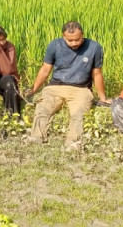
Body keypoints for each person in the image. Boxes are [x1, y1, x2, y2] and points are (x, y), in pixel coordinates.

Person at [26, 21, 109, 151]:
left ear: (83, 35)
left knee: (79, 113)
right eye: (69, 40)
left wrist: (102, 97)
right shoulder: (54, 45)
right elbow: (45, 70)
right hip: (55, 87)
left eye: (77, 39)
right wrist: (33, 89)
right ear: (63, 36)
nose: (74, 43)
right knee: (43, 109)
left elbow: (97, 74)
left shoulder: (94, 47)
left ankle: (72, 142)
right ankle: (36, 137)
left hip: (80, 89)